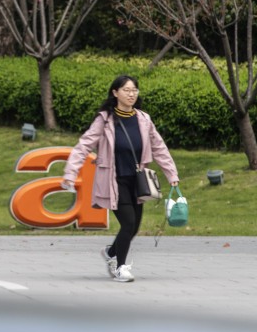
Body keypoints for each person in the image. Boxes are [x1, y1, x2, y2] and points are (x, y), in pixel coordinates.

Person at [61, 75, 179, 283]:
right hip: (114, 180)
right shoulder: (105, 120)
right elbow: (83, 146)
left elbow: (159, 147)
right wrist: (71, 173)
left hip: (138, 181)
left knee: (134, 227)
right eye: (126, 90)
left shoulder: (143, 119)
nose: (131, 94)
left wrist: (171, 174)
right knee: (128, 223)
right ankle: (120, 267)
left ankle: (110, 252)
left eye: (134, 90)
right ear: (115, 93)